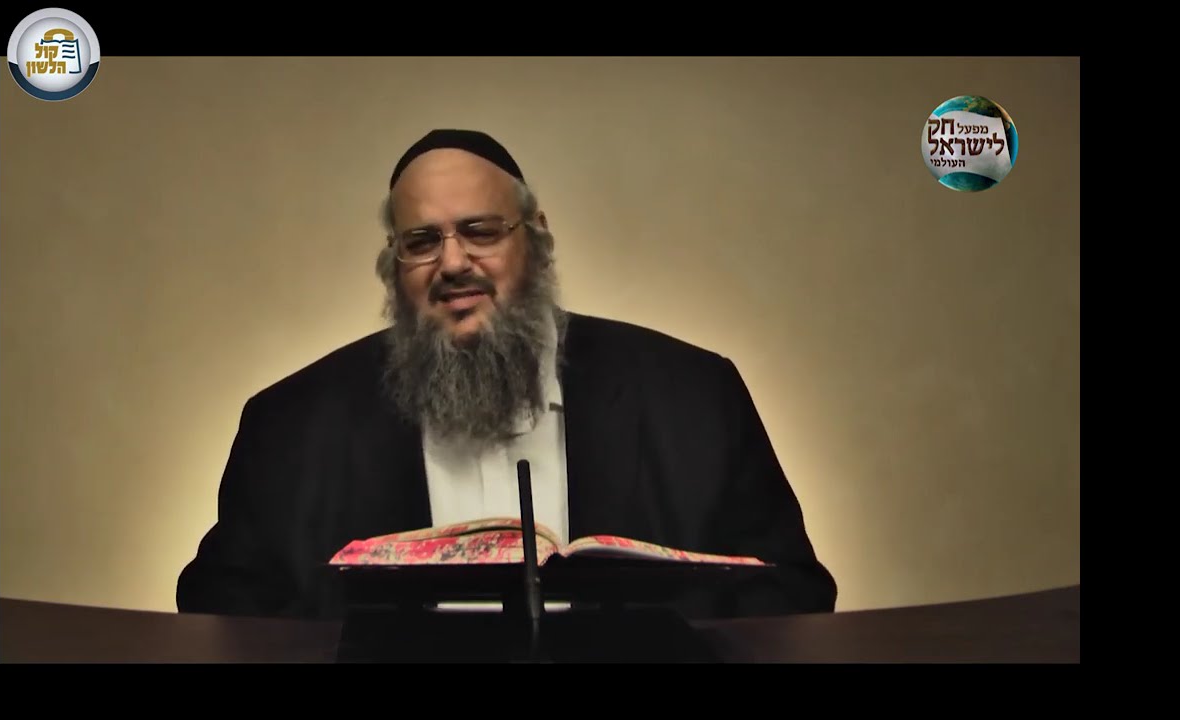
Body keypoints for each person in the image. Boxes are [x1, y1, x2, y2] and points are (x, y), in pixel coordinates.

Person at [176, 129, 837, 621]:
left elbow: (790, 593)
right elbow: (223, 611)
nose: (452, 263)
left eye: (481, 231)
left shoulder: (692, 397)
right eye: (421, 242)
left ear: (536, 238)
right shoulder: (290, 424)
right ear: (394, 264)